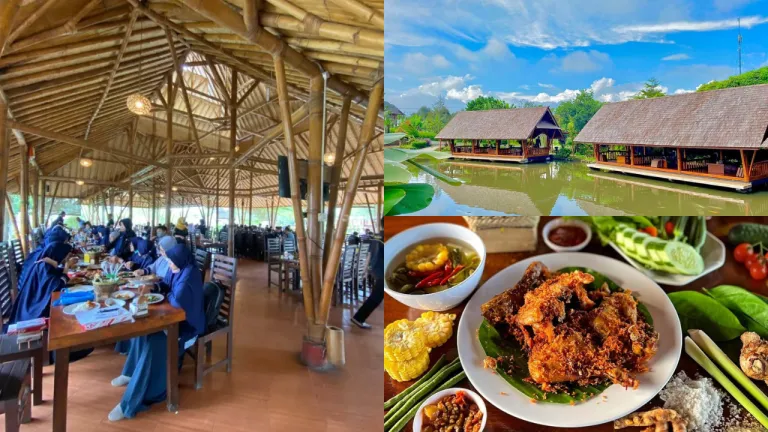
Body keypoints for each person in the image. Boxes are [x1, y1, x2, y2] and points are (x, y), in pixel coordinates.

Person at [108, 244, 205, 422]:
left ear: (179, 260)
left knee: (155, 343)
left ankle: (131, 401)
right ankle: (130, 373)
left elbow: (178, 302)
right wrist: (155, 289)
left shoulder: (189, 276)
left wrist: (164, 293)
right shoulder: (178, 269)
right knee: (141, 329)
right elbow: (167, 285)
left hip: (188, 329)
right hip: (175, 319)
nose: (168, 263)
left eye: (170, 260)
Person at [9, 242, 77, 325]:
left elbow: (56, 274)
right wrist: (67, 267)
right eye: (65, 257)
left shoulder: (45, 263)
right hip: (33, 313)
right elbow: (58, 286)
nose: (66, 259)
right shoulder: (44, 266)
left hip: (30, 307)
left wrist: (65, 268)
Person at [17, 225, 70, 290]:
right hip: (34, 299)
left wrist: (57, 266)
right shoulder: (44, 265)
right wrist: (66, 266)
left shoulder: (42, 256)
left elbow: (53, 274)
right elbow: (57, 287)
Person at [351, 235, 384, 330]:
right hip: (381, 273)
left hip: (376, 272)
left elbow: (369, 255)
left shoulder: (375, 241)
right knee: (376, 297)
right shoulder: (380, 242)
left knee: (376, 297)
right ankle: (358, 318)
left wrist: (366, 270)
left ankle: (358, 318)